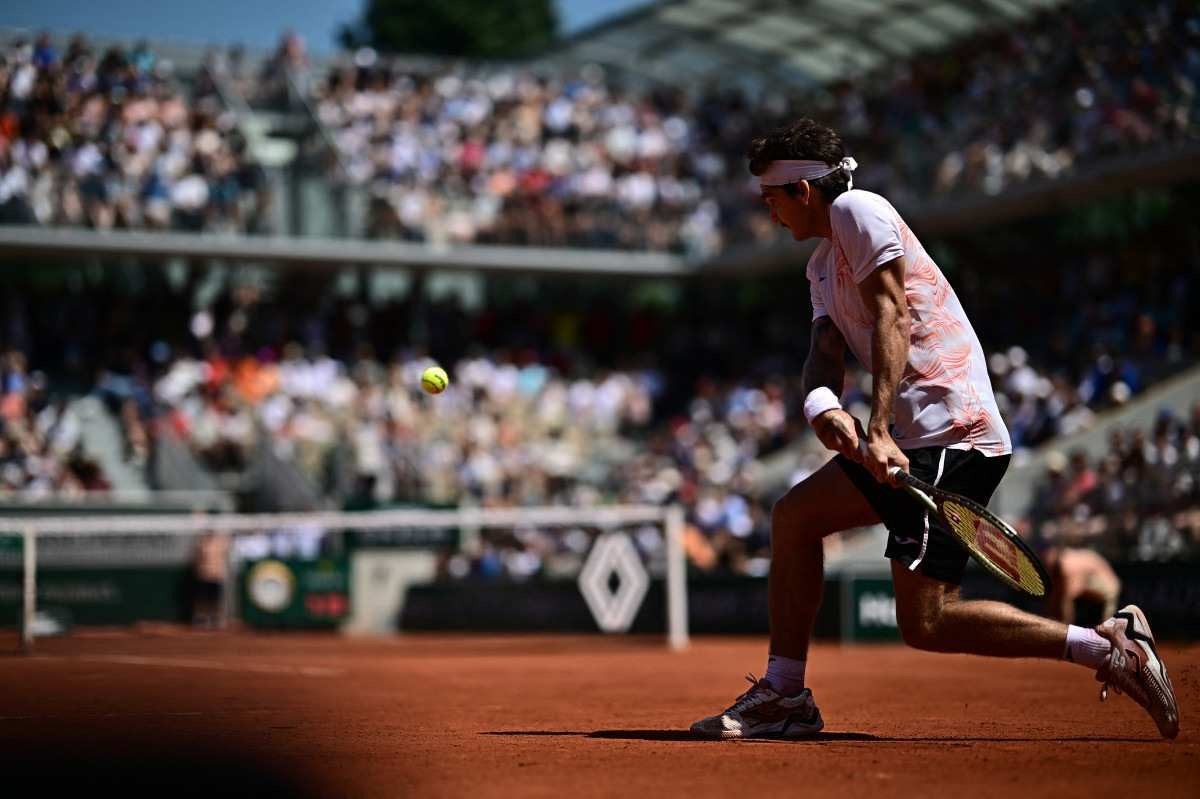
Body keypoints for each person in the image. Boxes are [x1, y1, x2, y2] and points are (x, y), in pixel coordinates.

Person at [689, 119, 1179, 740]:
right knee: (796, 517)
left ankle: (1114, 650)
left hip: (951, 432)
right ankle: (785, 694)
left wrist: (877, 425)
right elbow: (824, 354)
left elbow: (893, 315)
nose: (768, 210)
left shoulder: (857, 211)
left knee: (926, 621)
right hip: (913, 439)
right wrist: (822, 408)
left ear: (803, 191)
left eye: (771, 196)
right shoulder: (819, 268)